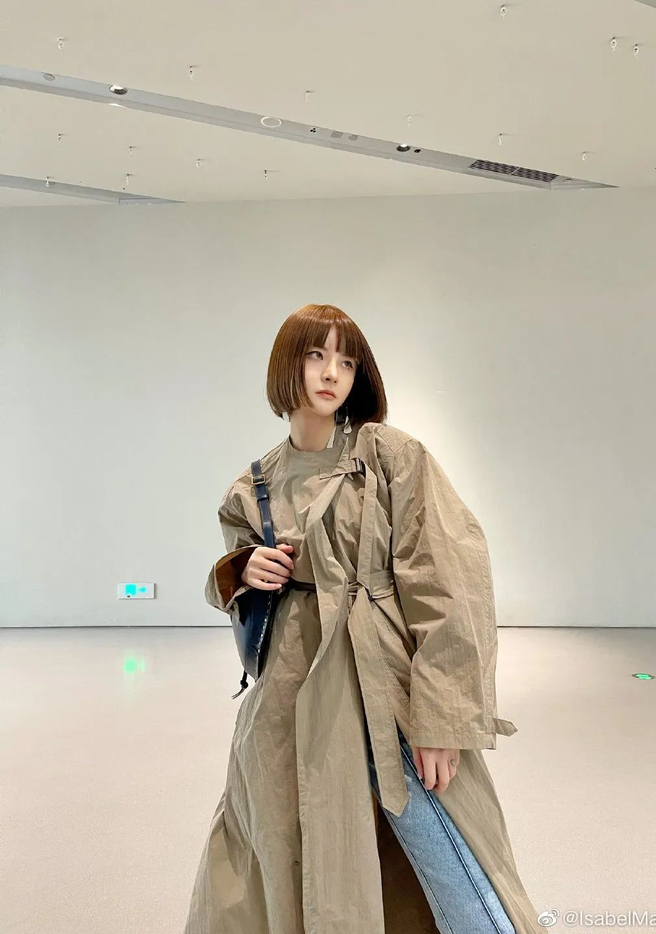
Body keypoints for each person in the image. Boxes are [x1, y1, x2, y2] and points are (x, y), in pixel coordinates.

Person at [184, 303, 542, 934]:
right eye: (316, 355)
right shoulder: (255, 483)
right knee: (283, 850)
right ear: (286, 365)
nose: (332, 374)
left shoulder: (390, 456)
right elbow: (235, 585)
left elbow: (448, 582)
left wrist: (442, 718)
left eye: (346, 362)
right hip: (289, 706)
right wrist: (242, 569)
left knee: (447, 854)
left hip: (382, 687)